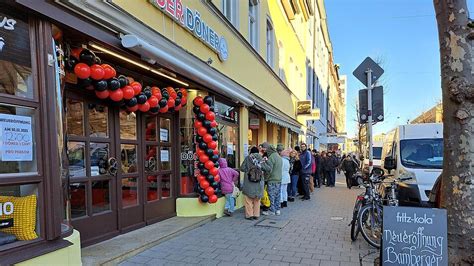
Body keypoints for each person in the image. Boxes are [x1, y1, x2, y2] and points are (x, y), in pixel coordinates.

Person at [240, 147, 264, 220]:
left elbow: (242, 168)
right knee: (257, 200)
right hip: (259, 182)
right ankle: (256, 214)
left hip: (249, 182)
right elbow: (266, 168)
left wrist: (248, 170)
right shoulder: (261, 158)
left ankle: (249, 215)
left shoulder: (248, 158)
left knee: (248, 200)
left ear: (251, 152)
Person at [260, 142, 283, 215]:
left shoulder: (271, 157)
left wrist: (266, 178)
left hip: (272, 179)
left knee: (271, 195)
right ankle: (277, 209)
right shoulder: (279, 156)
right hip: (279, 179)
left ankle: (272, 210)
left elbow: (269, 170)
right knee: (277, 195)